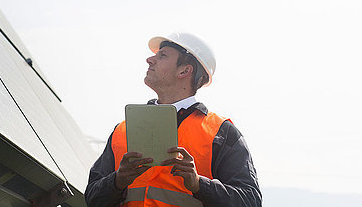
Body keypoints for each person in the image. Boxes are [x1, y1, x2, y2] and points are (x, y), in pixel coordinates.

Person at [85, 32, 262, 207]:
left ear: (185, 70)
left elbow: (250, 201)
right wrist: (117, 181)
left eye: (162, 56)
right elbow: (91, 198)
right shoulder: (122, 130)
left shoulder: (221, 133)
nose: (150, 60)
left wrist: (198, 184)